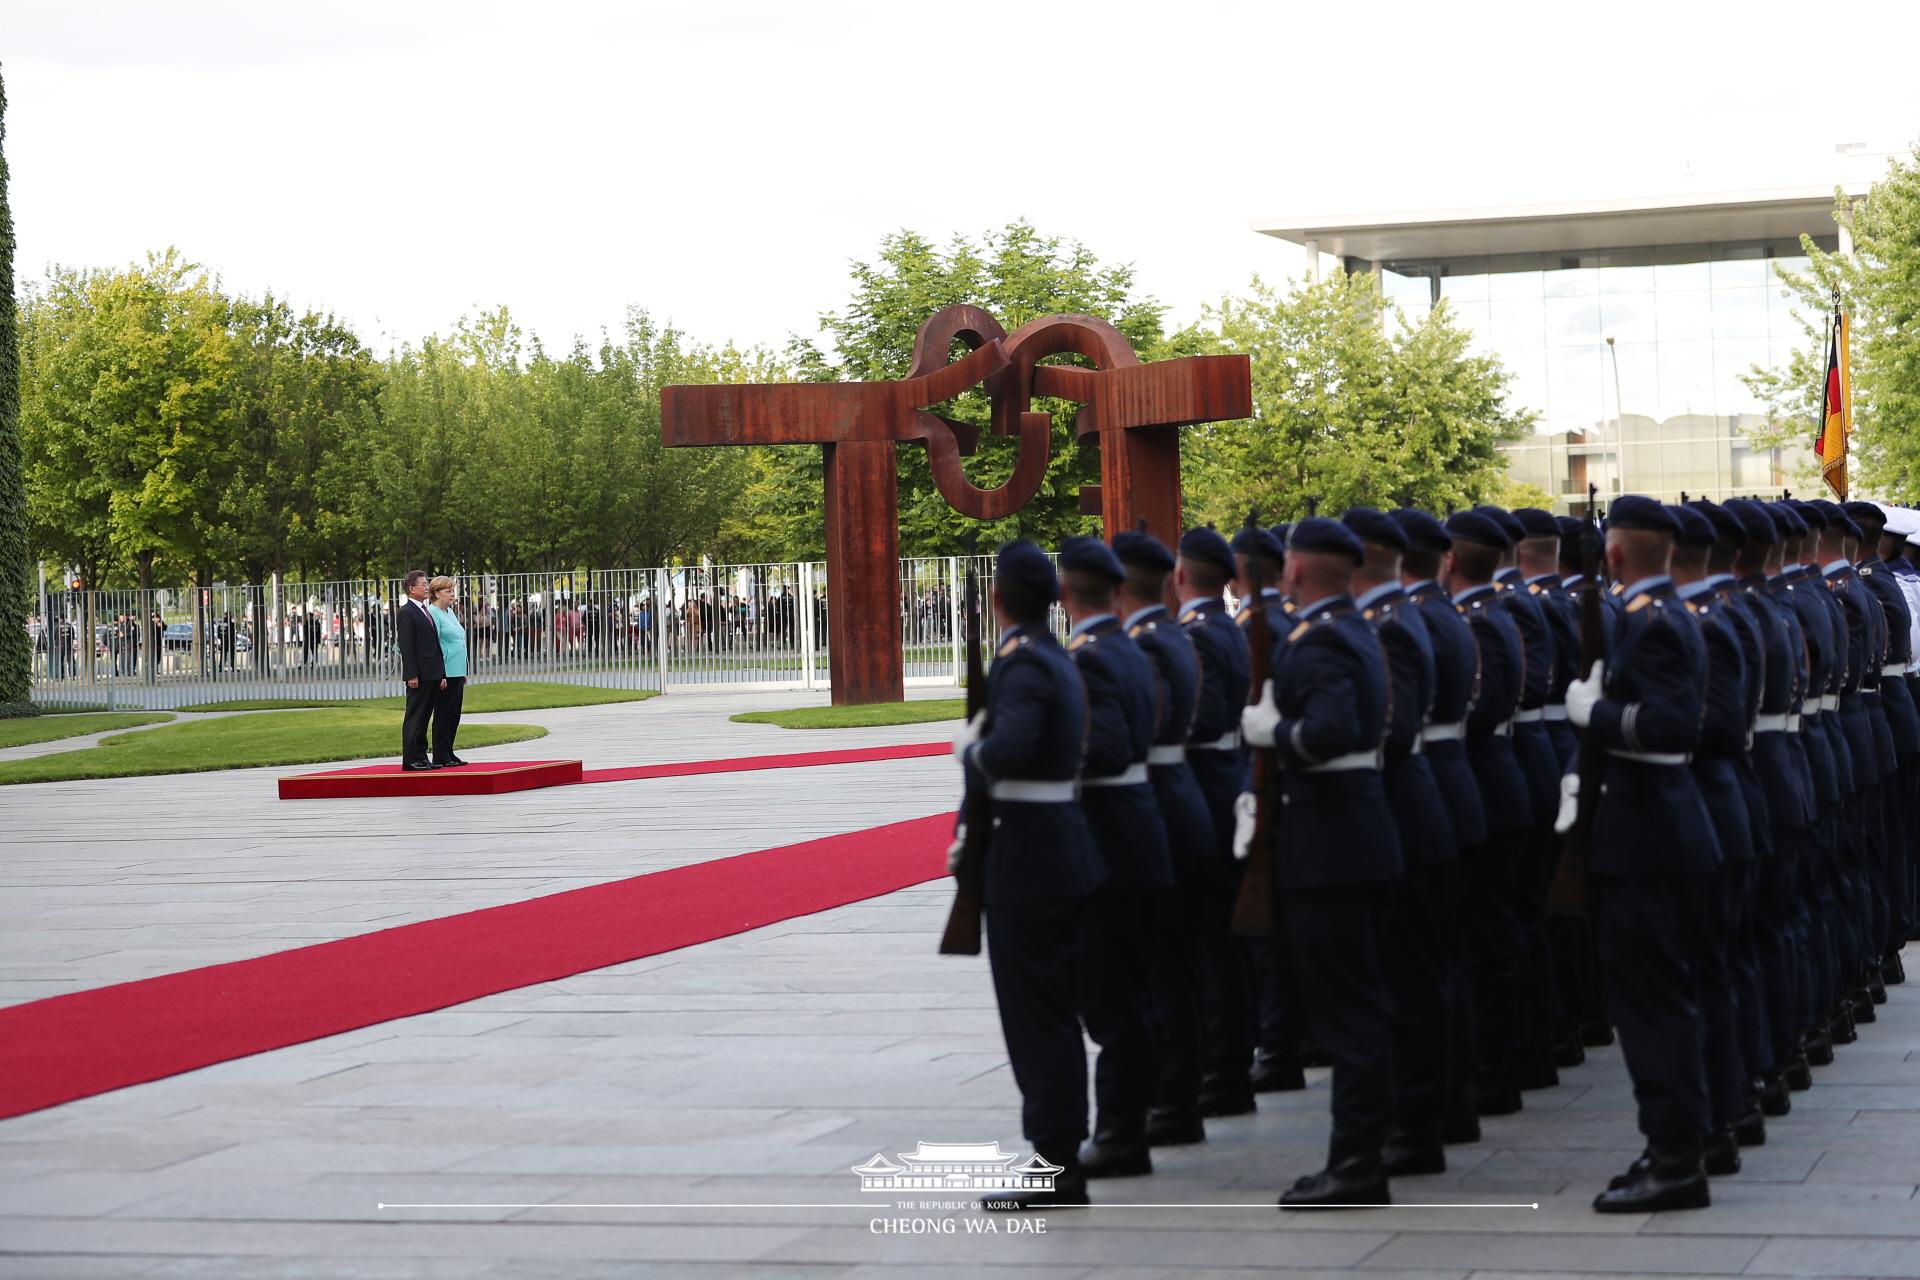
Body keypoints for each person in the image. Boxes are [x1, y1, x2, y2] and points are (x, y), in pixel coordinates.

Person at [1561, 495, 1721, 1212]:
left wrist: (1592, 713)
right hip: (1651, 831)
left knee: (1653, 1006)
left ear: (1615, 554)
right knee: (1655, 1002)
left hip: (1650, 836)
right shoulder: (1655, 616)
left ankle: (1677, 1161)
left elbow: (1669, 725)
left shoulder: (1653, 625)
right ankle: (1670, 1145)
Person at [1240, 516, 1402, 1207]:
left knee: (1346, 1011)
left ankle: (1358, 1162)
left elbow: (1334, 730)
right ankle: (1354, 1153)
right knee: (1352, 1004)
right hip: (1348, 836)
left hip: (1331, 845)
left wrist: (1275, 731)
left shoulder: (1326, 638)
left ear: (1296, 571)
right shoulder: (1348, 627)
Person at [950, 540, 1103, 1210]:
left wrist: (974, 753)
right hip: (1052, 848)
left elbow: (1008, 750)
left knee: (1036, 1017)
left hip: (1030, 860)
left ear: (997, 600)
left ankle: (1056, 1159)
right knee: (1052, 1015)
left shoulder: (1024, 666)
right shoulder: (1054, 656)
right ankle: (1060, 1150)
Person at [1057, 535, 1173, 1180]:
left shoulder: (1095, 655)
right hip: (1134, 832)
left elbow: (1103, 748)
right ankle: (1130, 1125)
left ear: (1067, 592)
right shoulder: (1126, 646)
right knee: (1127, 989)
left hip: (1108, 839)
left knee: (1109, 997)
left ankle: (1123, 1132)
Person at [1113, 526, 1219, 1150]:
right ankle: (1179, 1090)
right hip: (1181, 802)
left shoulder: (1149, 644)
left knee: (1160, 969)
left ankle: (1173, 1095)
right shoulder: (1171, 635)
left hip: (1161, 808)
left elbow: (1138, 734)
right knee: (1174, 964)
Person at [397, 570, 444, 771]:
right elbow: (406, 646)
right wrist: (411, 675)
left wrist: (441, 673)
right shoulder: (407, 612)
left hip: (432, 673)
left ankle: (422, 756)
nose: (427, 587)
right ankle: (411, 758)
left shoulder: (425, 610)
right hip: (420, 675)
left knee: (425, 717)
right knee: (415, 717)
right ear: (411, 588)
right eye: (423, 584)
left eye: (427, 584)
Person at [427, 576, 470, 768]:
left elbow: (458, 641)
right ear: (436, 593)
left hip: (457, 671)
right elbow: (433, 645)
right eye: (448, 591)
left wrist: (464, 670)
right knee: (443, 713)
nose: (452, 594)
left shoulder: (449, 612)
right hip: (445, 671)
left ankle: (449, 751)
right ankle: (440, 755)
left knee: (454, 714)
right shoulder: (433, 613)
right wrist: (440, 673)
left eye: (453, 590)